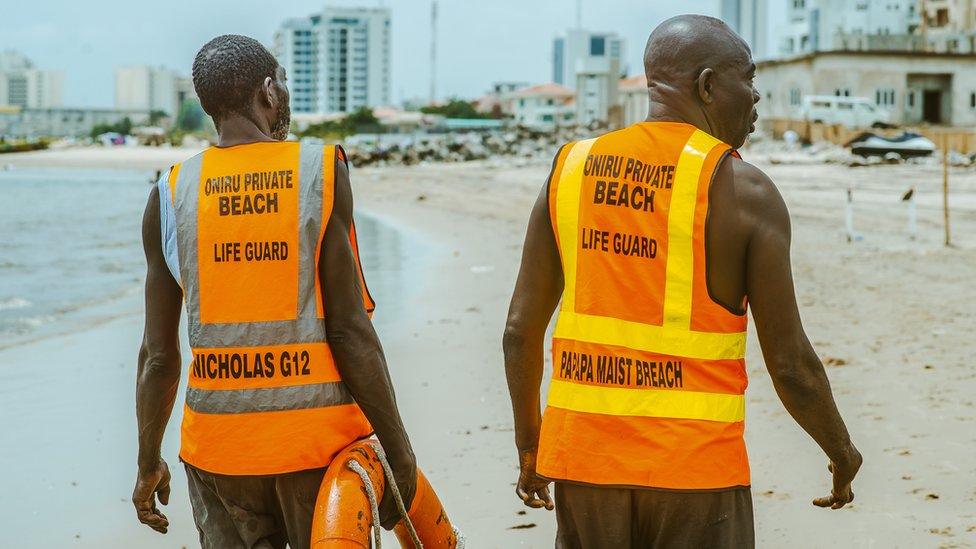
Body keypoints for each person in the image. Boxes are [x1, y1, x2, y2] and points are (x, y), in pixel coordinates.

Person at [502, 15, 862, 548]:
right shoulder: (746, 192)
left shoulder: (571, 169)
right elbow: (790, 364)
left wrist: (532, 449)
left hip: (585, 465)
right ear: (709, 85)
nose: (757, 96)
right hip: (696, 477)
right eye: (749, 77)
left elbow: (518, 332)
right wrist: (841, 450)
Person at [132, 34, 417, 548]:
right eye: (281, 82)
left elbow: (157, 355)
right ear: (268, 91)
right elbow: (351, 330)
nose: (282, 92)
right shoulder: (318, 172)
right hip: (316, 452)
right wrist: (399, 449)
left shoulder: (170, 192)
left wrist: (147, 459)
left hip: (218, 456)